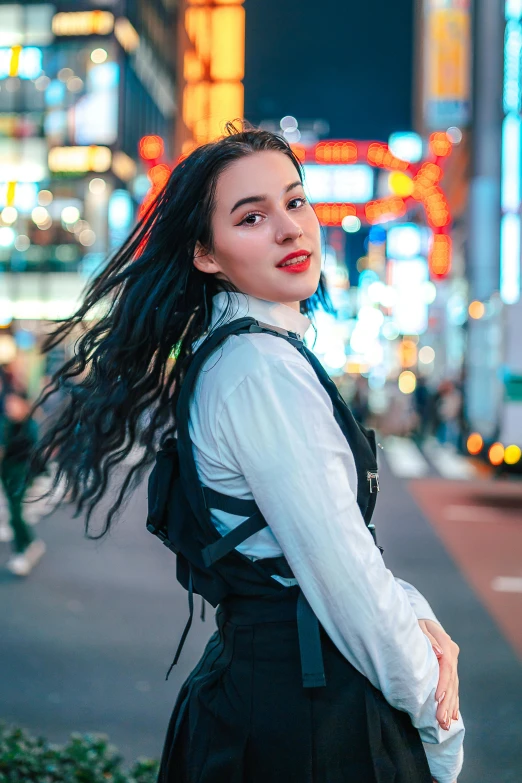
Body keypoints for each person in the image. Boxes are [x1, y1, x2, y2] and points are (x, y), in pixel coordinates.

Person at [31, 123, 464, 783]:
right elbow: (343, 578)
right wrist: (441, 731)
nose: (290, 228)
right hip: (307, 722)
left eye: (295, 201)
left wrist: (419, 614)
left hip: (273, 702)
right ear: (205, 253)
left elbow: (332, 555)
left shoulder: (242, 349)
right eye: (252, 216)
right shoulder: (261, 367)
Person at [0, 389, 46, 575]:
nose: (11, 407)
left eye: (15, 403)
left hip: (22, 473)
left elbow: (36, 451)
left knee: (15, 512)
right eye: (8, 403)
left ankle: (23, 550)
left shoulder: (31, 425)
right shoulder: (5, 423)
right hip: (7, 472)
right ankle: (30, 544)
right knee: (13, 509)